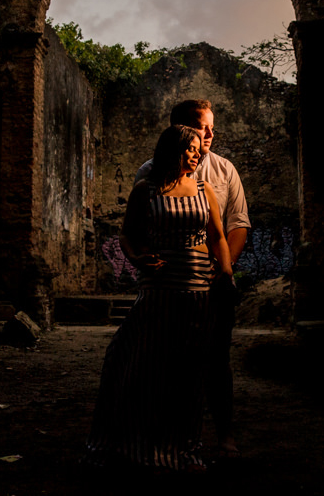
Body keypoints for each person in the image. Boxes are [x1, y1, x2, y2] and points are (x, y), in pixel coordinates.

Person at [86, 124, 234, 471]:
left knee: (189, 372)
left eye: (199, 149)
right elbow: (127, 237)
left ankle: (181, 447)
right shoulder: (145, 190)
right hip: (158, 288)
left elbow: (218, 238)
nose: (197, 154)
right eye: (191, 148)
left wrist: (226, 276)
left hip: (199, 290)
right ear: (172, 149)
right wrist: (138, 259)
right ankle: (138, 446)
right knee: (146, 366)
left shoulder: (204, 189)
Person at [135, 99, 249, 455]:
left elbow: (235, 225)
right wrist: (144, 259)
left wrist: (221, 269)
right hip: (168, 285)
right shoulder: (149, 173)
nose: (211, 134)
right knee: (163, 359)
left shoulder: (224, 171)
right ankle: (167, 438)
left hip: (210, 283)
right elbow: (138, 226)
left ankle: (223, 433)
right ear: (180, 130)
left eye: (212, 127)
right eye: (204, 127)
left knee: (216, 359)